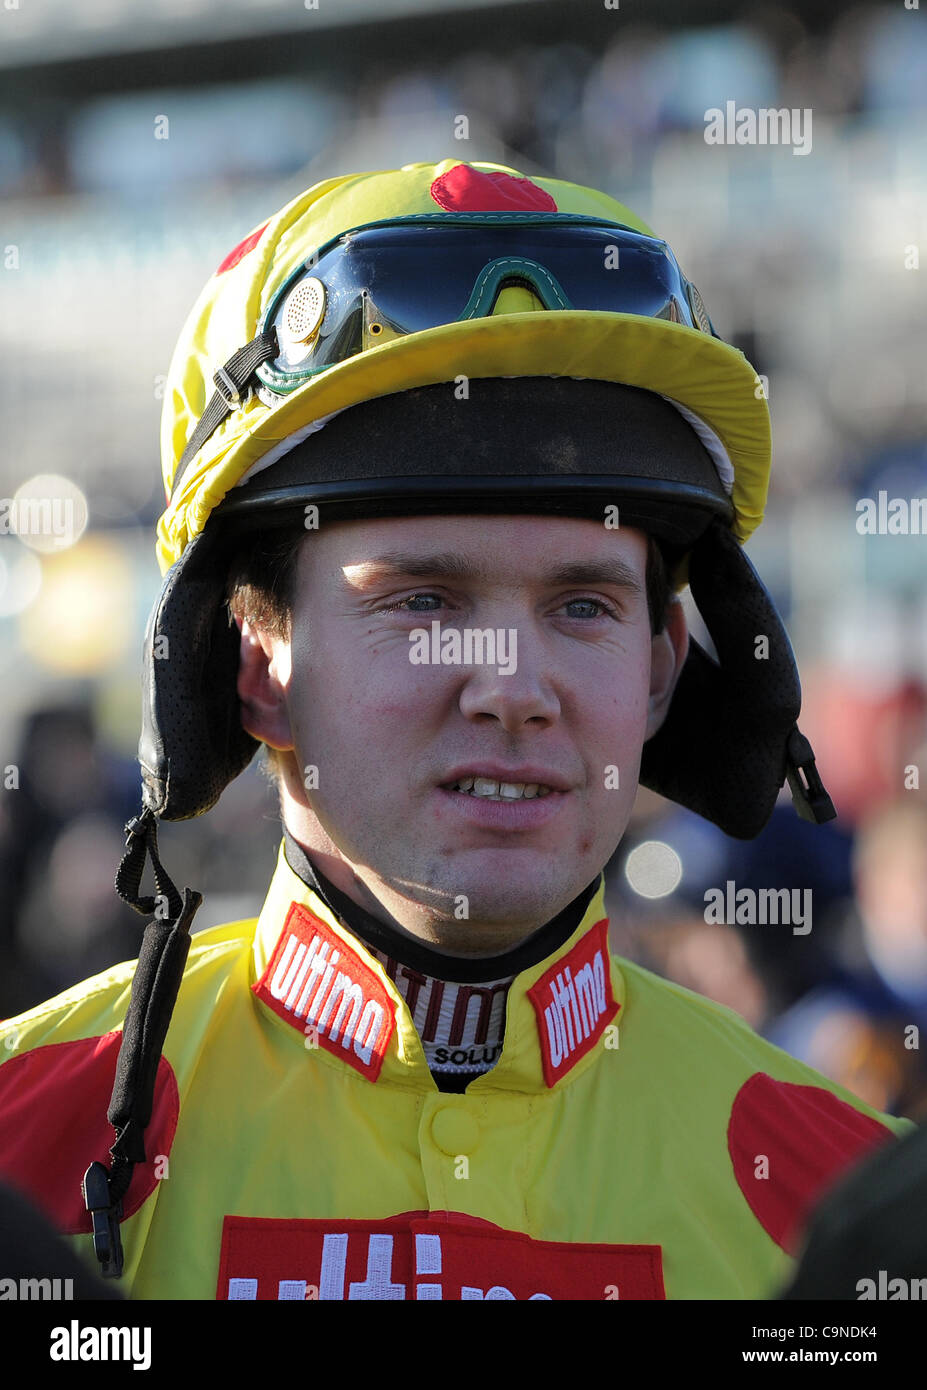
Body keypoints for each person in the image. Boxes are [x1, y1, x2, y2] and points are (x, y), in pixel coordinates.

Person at [0, 160, 913, 1301]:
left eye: (583, 606)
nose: (513, 689)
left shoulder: (858, 1207)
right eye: (421, 600)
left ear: (663, 675)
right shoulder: (22, 1137)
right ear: (250, 668)